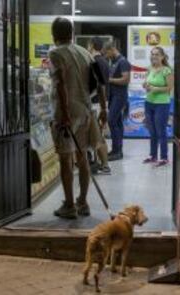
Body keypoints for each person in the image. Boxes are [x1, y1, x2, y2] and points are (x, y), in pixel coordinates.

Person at [49, 17, 104, 218]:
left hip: (67, 114)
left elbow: (60, 84)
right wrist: (103, 109)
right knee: (83, 158)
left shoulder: (55, 53)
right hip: (86, 110)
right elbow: (99, 83)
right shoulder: (85, 52)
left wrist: (63, 114)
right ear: (71, 34)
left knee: (65, 160)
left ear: (54, 34)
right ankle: (83, 202)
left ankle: (70, 206)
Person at [142, 47, 174, 167]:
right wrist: (145, 85)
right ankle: (153, 155)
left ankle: (164, 157)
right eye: (152, 54)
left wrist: (155, 89)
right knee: (152, 130)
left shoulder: (167, 70)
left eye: (156, 54)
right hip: (149, 102)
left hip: (162, 104)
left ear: (162, 57)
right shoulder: (149, 69)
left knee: (161, 131)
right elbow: (147, 83)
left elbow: (169, 88)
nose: (153, 56)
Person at [87, 37, 111, 175]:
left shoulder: (94, 61)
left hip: (95, 103)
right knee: (98, 135)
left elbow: (98, 86)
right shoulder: (104, 61)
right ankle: (100, 164)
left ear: (91, 45)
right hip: (101, 102)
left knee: (96, 136)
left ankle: (104, 165)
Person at [104, 42, 131, 161]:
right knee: (118, 122)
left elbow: (126, 80)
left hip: (120, 96)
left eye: (106, 53)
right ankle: (118, 150)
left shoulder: (123, 62)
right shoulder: (114, 62)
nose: (106, 56)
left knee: (111, 120)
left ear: (112, 49)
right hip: (113, 96)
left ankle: (116, 150)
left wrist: (109, 80)